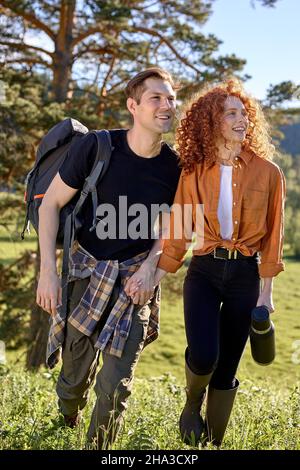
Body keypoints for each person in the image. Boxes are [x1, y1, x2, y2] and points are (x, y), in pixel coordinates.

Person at [36, 67, 181, 449]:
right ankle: (69, 415)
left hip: (136, 281)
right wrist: (47, 272)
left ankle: (99, 450)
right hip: (86, 273)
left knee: (115, 387)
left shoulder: (176, 166)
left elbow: (174, 229)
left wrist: (151, 269)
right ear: (133, 106)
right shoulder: (98, 147)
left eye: (170, 98)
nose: (167, 105)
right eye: (156, 98)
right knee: (72, 382)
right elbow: (51, 204)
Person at [154, 78, 286, 447]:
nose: (241, 119)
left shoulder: (269, 172)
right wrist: (156, 274)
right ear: (212, 121)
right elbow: (179, 229)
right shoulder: (194, 171)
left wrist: (267, 293)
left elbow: (274, 236)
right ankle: (191, 403)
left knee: (227, 368)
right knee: (204, 354)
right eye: (231, 113)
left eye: (244, 113)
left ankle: (212, 443)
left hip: (246, 274)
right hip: (205, 271)